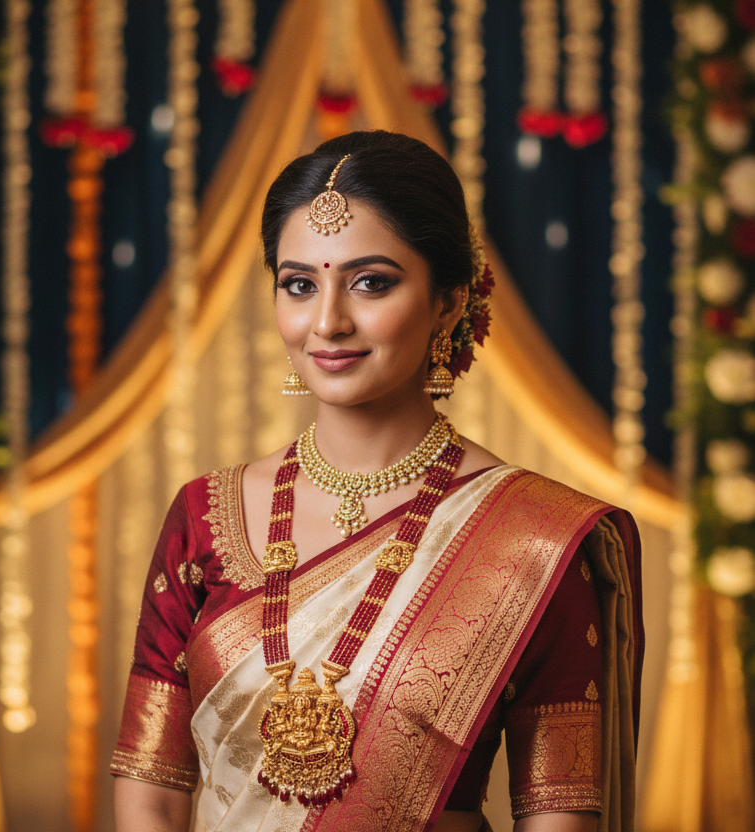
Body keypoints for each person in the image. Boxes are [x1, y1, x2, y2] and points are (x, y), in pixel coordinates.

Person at [111, 130, 643, 832]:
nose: (327, 322)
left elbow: (558, 814)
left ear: (448, 301)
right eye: (299, 285)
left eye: (370, 282)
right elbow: (150, 790)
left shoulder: (533, 539)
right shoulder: (205, 515)